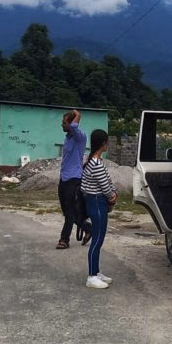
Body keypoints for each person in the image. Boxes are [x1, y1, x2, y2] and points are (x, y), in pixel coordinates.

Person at [80, 129, 116, 288]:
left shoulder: (94, 161)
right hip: (97, 202)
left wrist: (112, 192)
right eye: (107, 141)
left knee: (98, 238)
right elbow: (105, 186)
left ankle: (96, 270)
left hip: (95, 201)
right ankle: (91, 276)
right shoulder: (96, 164)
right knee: (97, 239)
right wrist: (112, 196)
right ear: (103, 143)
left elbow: (107, 181)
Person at [56, 109, 87, 249]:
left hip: (74, 179)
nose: (61, 125)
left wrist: (77, 115)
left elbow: (74, 127)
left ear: (71, 123)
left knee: (69, 211)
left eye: (64, 122)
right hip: (64, 178)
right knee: (67, 211)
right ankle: (88, 228)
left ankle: (64, 239)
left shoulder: (80, 137)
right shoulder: (68, 138)